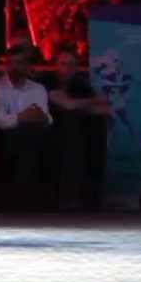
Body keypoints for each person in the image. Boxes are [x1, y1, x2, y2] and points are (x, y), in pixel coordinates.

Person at [48, 47, 112, 211]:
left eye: (71, 65)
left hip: (79, 132)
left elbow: (105, 110)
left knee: (92, 127)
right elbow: (67, 105)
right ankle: (67, 198)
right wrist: (92, 101)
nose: (67, 69)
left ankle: (92, 199)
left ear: (76, 68)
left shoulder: (81, 85)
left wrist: (82, 105)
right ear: (56, 65)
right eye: (63, 64)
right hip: (50, 132)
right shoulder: (47, 81)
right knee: (72, 125)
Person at [0, 45, 53, 210]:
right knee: (25, 134)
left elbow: (46, 117)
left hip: (34, 135)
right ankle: (24, 200)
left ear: (27, 66)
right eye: (10, 63)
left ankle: (22, 200)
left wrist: (37, 116)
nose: (14, 67)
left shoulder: (38, 89)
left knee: (32, 133)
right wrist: (21, 116)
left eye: (19, 63)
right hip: (7, 138)